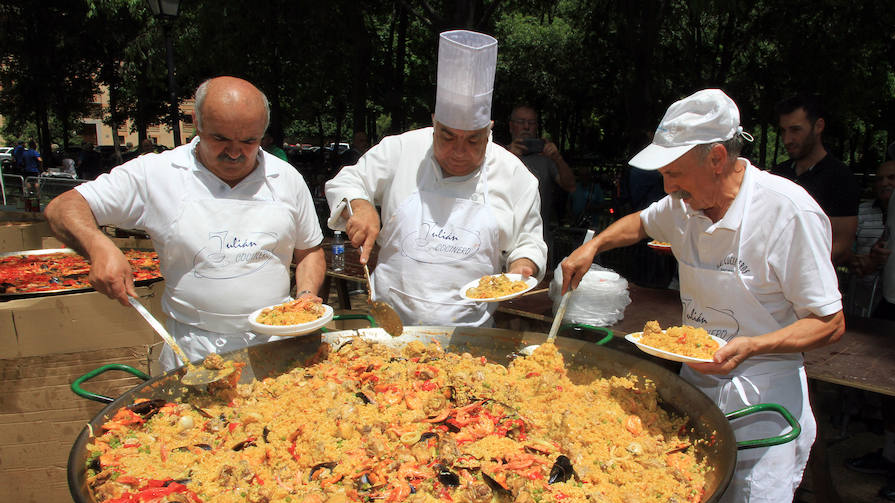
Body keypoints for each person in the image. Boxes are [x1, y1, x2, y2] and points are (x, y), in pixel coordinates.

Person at [560, 89, 844, 503]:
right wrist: (593, 245)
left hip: (763, 404)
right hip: (696, 396)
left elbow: (830, 322)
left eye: (675, 173)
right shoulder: (684, 206)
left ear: (716, 157)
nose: (667, 187)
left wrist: (757, 344)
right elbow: (641, 222)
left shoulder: (787, 212)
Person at [44, 76, 325, 371]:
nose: (234, 152)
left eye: (248, 141)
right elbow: (62, 208)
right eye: (220, 139)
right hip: (193, 351)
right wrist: (98, 246)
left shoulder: (286, 177)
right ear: (196, 123)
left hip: (277, 345)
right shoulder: (157, 173)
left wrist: (305, 298)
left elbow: (309, 250)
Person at [325, 30, 546, 327]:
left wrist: (523, 266)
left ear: (489, 130)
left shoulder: (515, 175)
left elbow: (529, 241)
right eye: (447, 137)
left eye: (473, 140)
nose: (459, 152)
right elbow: (346, 181)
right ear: (434, 124)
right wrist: (360, 205)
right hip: (390, 329)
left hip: (471, 334)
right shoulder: (401, 149)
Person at [845, 136, 895, 501]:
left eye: (893, 175)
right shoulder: (894, 203)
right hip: (891, 301)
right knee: (889, 389)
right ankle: (892, 456)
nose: (885, 183)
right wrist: (872, 260)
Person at [771, 94, 860, 266]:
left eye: (795, 130)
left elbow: (841, 245)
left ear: (818, 126)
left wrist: (795, 269)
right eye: (783, 131)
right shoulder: (778, 174)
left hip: (812, 276)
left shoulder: (840, 178)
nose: (787, 139)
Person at [507, 104, 576, 256]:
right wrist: (509, 155)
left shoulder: (546, 159)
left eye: (531, 123)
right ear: (511, 126)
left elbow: (570, 186)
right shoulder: (498, 155)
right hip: (503, 240)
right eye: (521, 122)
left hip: (539, 241)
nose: (526, 127)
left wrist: (557, 158)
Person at [845, 160, 895, 316]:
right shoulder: (861, 212)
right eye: (879, 179)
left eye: (891, 177)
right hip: (863, 297)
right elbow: (847, 250)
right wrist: (859, 260)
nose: (885, 183)